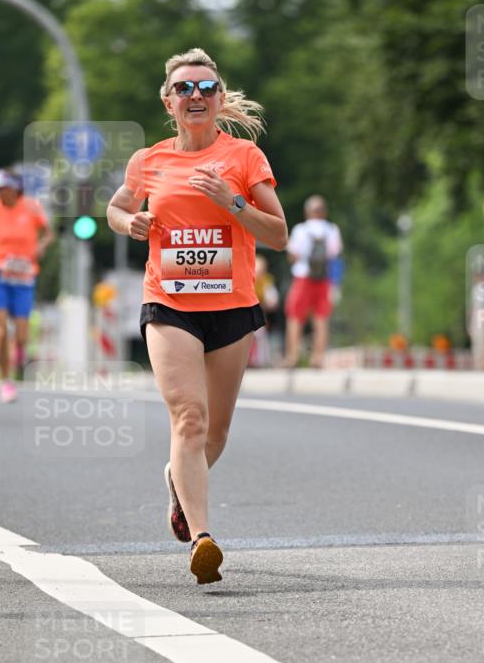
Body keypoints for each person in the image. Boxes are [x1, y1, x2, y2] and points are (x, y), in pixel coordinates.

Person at [106, 48, 287, 585]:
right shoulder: (149, 161)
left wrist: (231, 202)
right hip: (170, 305)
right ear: (169, 101)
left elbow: (278, 235)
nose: (196, 97)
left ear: (220, 97)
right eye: (185, 89)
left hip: (232, 308)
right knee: (190, 418)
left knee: (216, 435)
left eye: (206, 88)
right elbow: (116, 208)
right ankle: (203, 540)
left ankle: (176, 482)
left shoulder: (245, 158)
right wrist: (128, 223)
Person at [0, 168, 54, 402]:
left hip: (24, 277)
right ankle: (6, 381)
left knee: (20, 333)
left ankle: (18, 349)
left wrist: (41, 246)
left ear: (15, 189)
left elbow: (48, 234)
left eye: (4, 189)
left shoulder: (30, 207)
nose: (0, 193)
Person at [283, 195, 343, 368]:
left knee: (295, 316)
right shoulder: (332, 230)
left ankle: (293, 356)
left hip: (303, 277)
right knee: (321, 318)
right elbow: (334, 255)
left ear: (307, 212)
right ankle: (318, 358)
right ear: (324, 212)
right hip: (323, 279)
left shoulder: (301, 230)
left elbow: (293, 255)